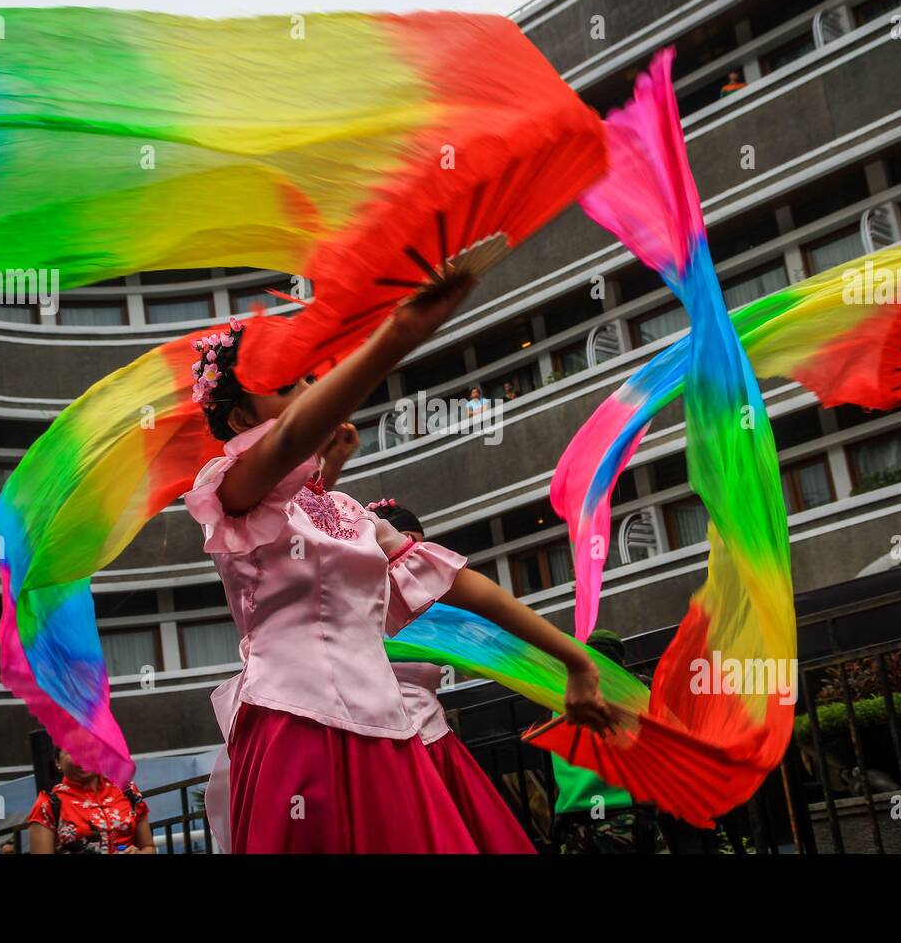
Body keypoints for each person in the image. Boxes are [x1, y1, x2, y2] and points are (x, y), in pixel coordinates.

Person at [184, 274, 616, 852]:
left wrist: (574, 662)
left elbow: (464, 586)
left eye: (312, 381)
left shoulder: (344, 509)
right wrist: (398, 334)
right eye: (290, 385)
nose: (313, 395)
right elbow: (288, 441)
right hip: (295, 723)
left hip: (388, 728)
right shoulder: (231, 490)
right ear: (238, 420)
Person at [368, 498, 537, 853]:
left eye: (416, 546)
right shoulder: (356, 607)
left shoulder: (436, 615)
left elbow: (499, 649)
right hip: (380, 754)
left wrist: (558, 681)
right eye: (400, 545)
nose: (408, 559)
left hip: (436, 747)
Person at [549, 630, 666, 853]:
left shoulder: (562, 702)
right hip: (621, 816)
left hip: (574, 820)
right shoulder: (633, 698)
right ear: (620, 663)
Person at [28, 746, 155, 854]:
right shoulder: (48, 805)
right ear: (57, 762)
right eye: (73, 751)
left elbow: (148, 847)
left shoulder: (128, 792)